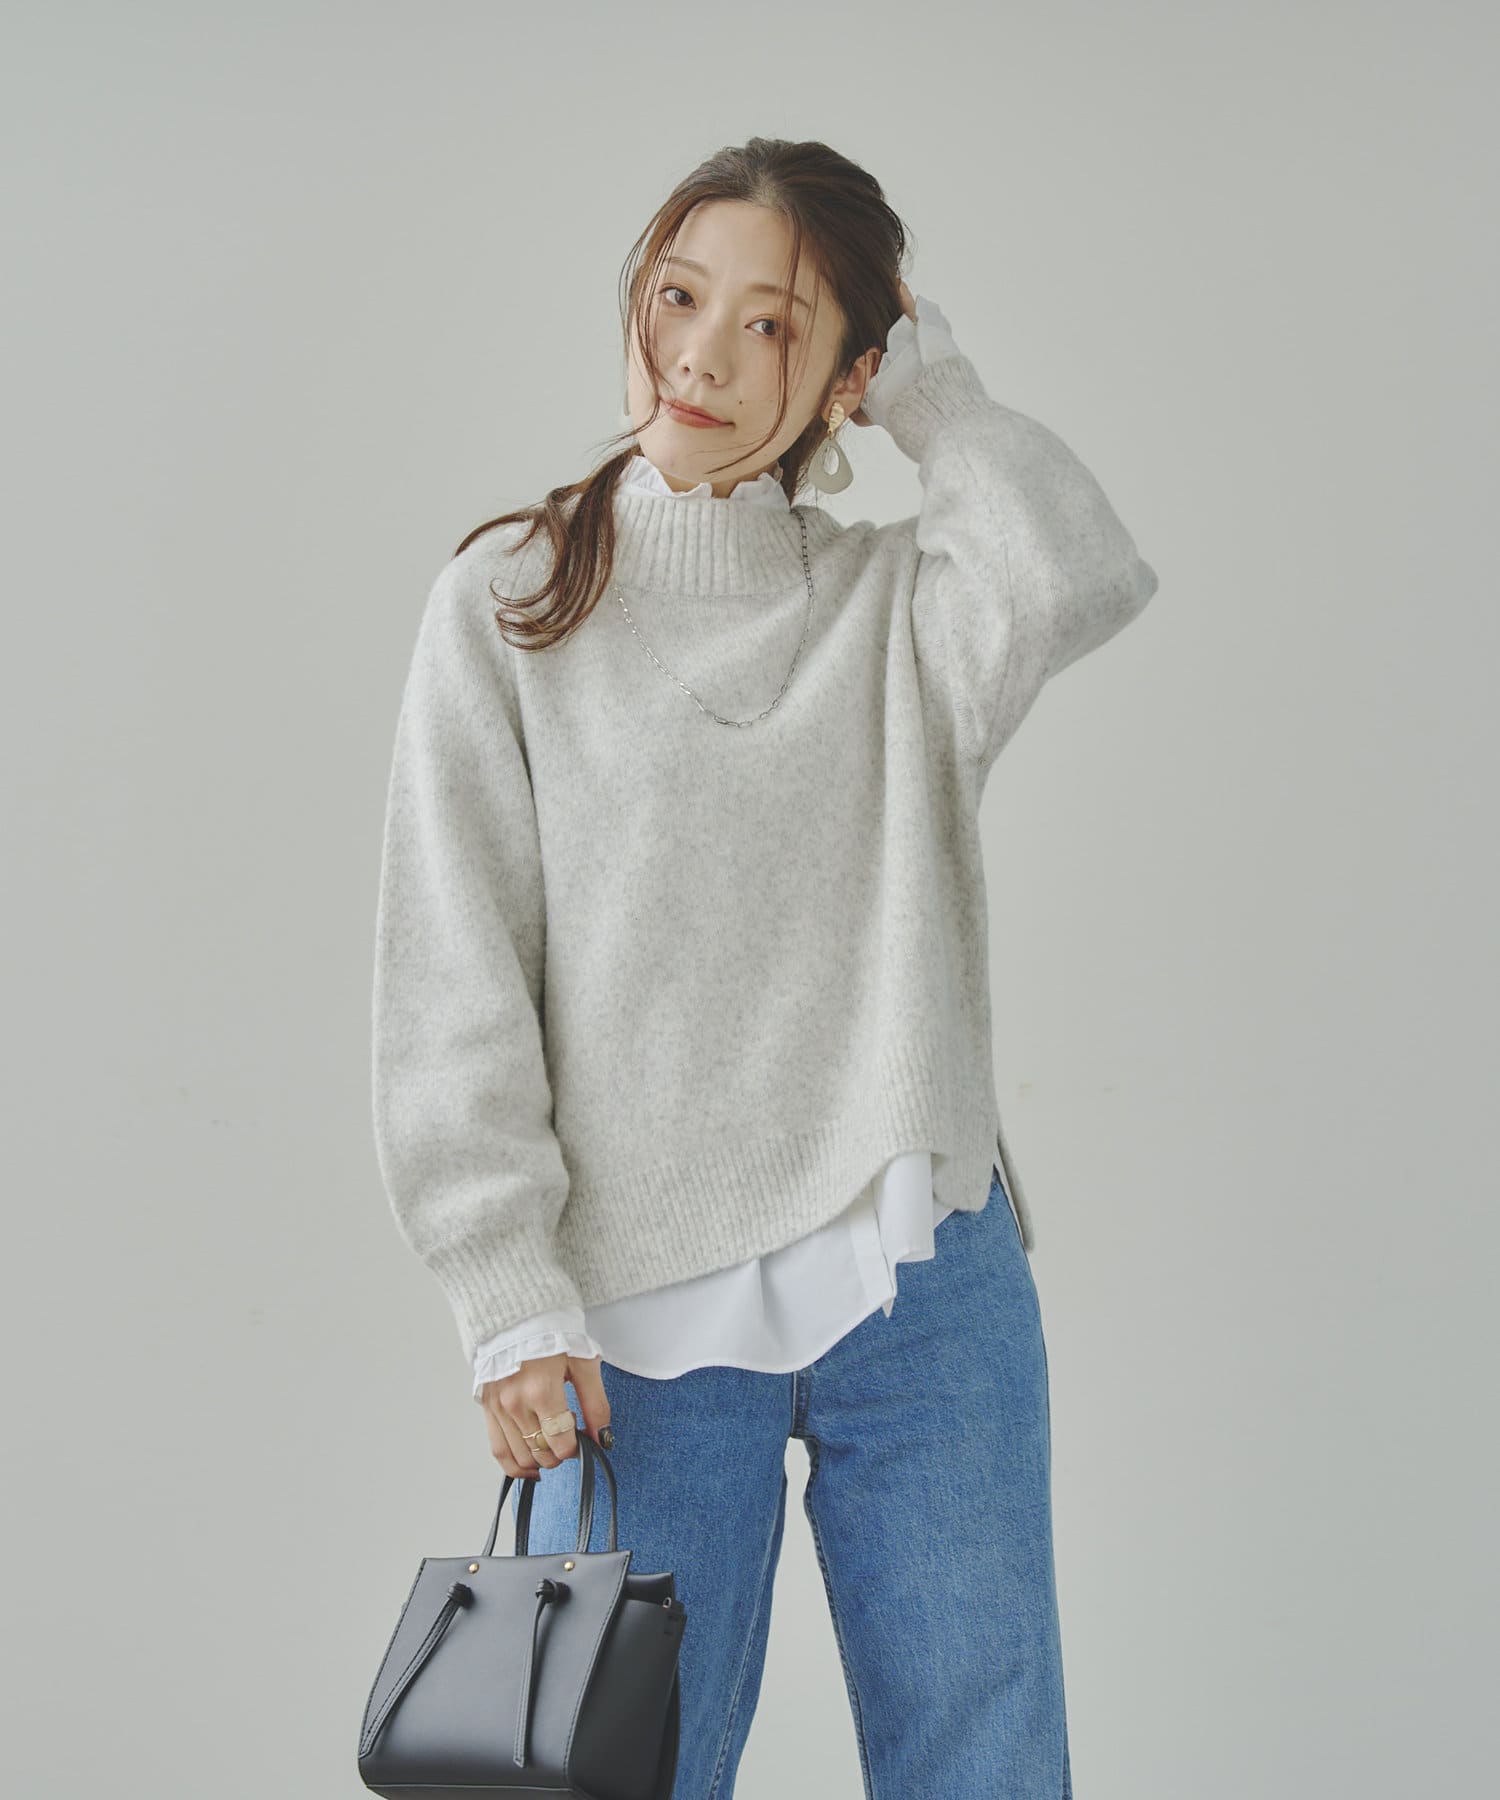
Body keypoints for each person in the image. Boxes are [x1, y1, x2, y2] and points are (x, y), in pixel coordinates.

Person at [371, 135, 1158, 1799]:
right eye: (678, 298)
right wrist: (505, 1294)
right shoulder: (513, 605)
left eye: (775, 327)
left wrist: (928, 389)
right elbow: (456, 978)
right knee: (619, 1776)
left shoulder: (896, 612)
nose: (703, 357)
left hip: (920, 1275)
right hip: (633, 1314)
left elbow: (1075, 571)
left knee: (987, 1762)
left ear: (848, 374)